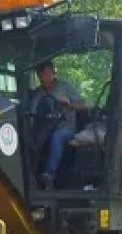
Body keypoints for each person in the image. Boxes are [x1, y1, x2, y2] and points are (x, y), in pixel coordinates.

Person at [29, 59, 87, 188]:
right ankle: (31, 175)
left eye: (47, 74)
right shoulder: (38, 94)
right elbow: (31, 114)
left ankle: (50, 175)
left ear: (53, 73)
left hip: (66, 129)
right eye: (42, 76)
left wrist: (69, 104)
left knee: (57, 136)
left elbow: (83, 104)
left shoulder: (65, 87)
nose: (45, 78)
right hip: (44, 129)